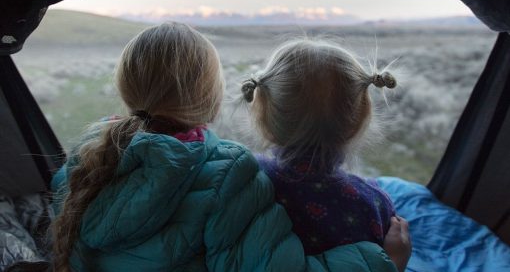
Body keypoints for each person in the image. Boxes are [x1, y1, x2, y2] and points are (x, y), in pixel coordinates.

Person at [51, 23, 409, 272]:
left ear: (125, 87)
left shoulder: (87, 155)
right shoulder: (228, 175)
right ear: (211, 96)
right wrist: (381, 261)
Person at [241, 39, 410, 264]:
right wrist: (396, 261)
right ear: (358, 122)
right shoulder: (372, 204)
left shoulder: (243, 177)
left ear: (263, 116)